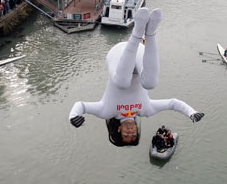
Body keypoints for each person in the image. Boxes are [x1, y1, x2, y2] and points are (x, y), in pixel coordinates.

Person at [69, 8, 204, 147]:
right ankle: (151, 31)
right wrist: (192, 113)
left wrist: (73, 117)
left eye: (126, 134)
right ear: (137, 129)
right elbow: (172, 103)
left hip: (118, 55)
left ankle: (137, 31)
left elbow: (81, 106)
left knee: (122, 82)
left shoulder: (107, 111)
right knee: (150, 83)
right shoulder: (146, 109)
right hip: (138, 55)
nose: (130, 131)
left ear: (119, 129)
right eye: (133, 133)